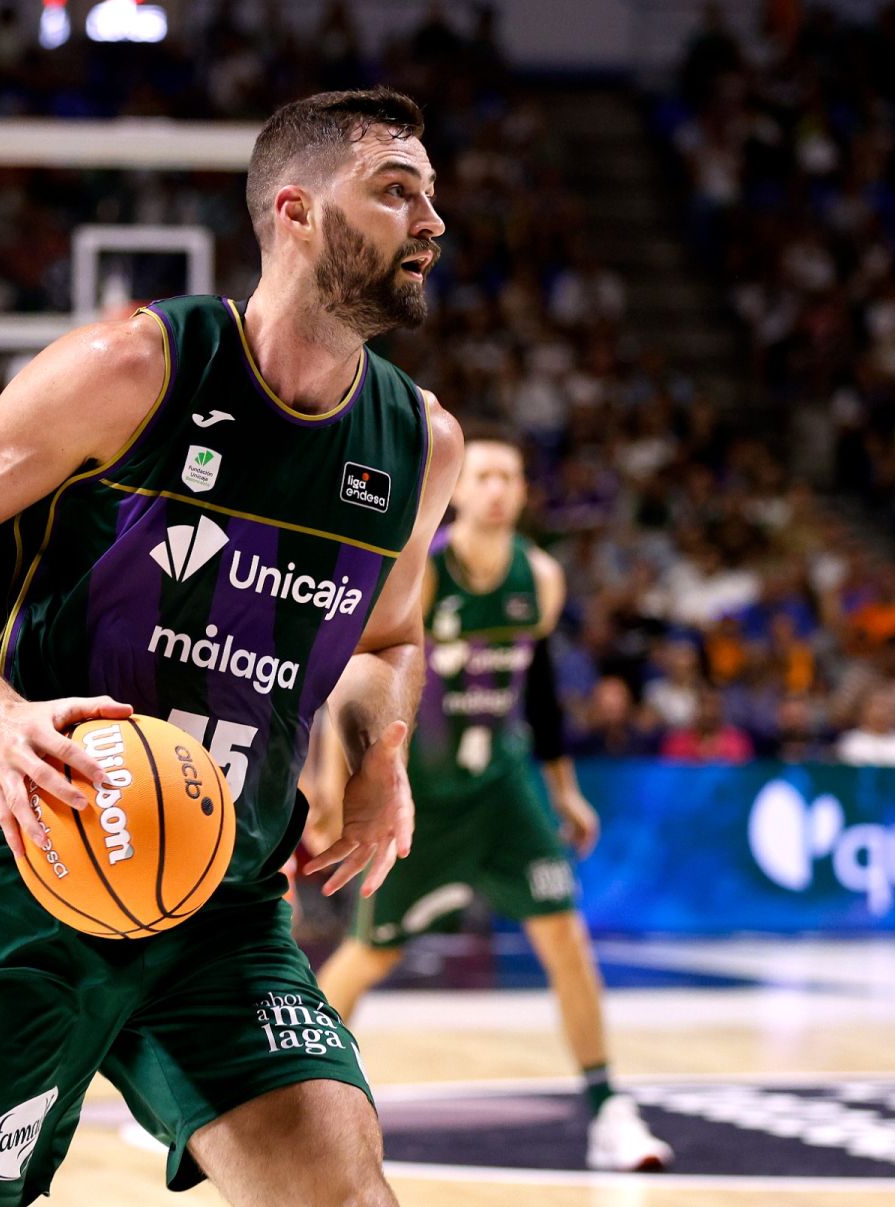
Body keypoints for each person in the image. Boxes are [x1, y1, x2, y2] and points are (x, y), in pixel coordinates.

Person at [0, 88, 462, 1207]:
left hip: (226, 904)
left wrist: (379, 756)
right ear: (297, 212)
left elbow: (390, 639)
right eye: (396, 191)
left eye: (432, 195)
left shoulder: (422, 446)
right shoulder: (134, 369)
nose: (432, 222)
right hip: (33, 862)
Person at [311, 435, 673, 1171]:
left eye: (509, 476)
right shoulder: (425, 570)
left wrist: (565, 791)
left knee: (566, 936)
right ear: (460, 488)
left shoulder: (538, 577)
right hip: (423, 794)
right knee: (369, 955)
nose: (498, 488)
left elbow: (538, 695)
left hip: (505, 788)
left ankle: (607, 1107)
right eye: (484, 475)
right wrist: (331, 781)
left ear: (522, 493)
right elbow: (359, 672)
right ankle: (293, 1095)